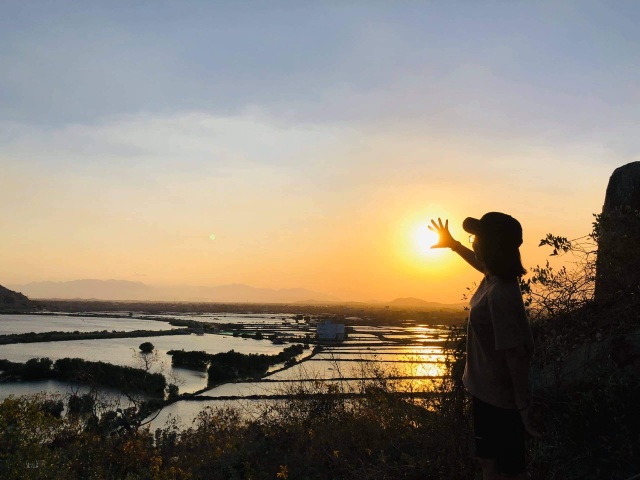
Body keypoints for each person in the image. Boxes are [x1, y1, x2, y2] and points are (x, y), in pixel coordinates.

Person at [429, 213, 540, 480]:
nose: (474, 242)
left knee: (504, 469)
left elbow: (514, 355)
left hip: (499, 400)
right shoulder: (494, 277)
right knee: (490, 462)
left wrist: (523, 408)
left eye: (476, 238)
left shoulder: (501, 293)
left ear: (491, 246)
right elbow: (481, 265)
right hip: (487, 393)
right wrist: (455, 245)